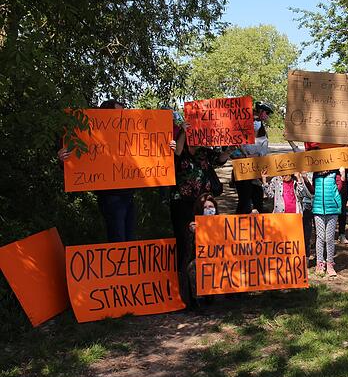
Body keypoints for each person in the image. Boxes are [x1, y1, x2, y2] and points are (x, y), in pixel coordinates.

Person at [57, 100, 176, 243]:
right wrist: (62, 158)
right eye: (118, 112)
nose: (122, 115)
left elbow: (149, 148)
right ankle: (120, 264)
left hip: (129, 196)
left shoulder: (128, 134)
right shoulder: (91, 134)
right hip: (110, 197)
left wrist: (168, 146)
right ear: (106, 114)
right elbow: (78, 163)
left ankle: (127, 265)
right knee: (118, 239)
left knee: (130, 239)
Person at [171, 120, 234, 285]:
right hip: (182, 203)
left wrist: (229, 151)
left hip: (203, 202)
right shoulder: (180, 149)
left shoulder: (204, 152)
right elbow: (176, 153)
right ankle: (183, 278)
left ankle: (206, 279)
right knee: (185, 240)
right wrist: (183, 132)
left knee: (205, 239)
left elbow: (219, 160)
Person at [231, 102, 271, 214]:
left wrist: (248, 156)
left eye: (257, 121)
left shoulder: (263, 138)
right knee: (244, 200)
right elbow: (235, 153)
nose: (255, 123)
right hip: (242, 173)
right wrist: (247, 156)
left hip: (256, 173)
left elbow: (262, 156)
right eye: (253, 120)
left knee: (258, 200)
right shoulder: (242, 136)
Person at [183, 193, 218, 306]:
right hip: (203, 260)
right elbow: (189, 250)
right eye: (205, 207)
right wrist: (192, 232)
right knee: (193, 266)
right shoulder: (194, 225)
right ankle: (199, 300)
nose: (209, 210)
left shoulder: (224, 223)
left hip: (221, 259)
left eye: (211, 207)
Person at [313, 167, 345, 277]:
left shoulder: (334, 174)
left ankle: (330, 263)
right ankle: (319, 263)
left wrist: (342, 176)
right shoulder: (315, 174)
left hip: (332, 210)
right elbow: (312, 189)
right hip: (318, 210)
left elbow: (339, 188)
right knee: (320, 237)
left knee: (330, 238)